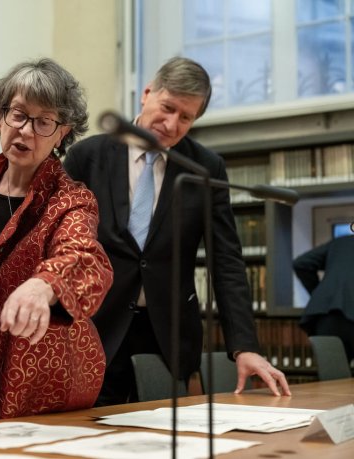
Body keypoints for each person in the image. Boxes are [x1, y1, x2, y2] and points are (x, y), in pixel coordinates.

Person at [63, 56, 291, 405]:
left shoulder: (204, 168)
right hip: (94, 329)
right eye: (167, 108)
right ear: (147, 93)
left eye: (186, 117)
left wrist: (244, 346)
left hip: (167, 337)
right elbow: (60, 246)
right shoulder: (87, 156)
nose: (171, 124)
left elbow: (226, 260)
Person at [0, 58, 114, 425]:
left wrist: (45, 285)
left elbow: (86, 257)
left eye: (44, 122)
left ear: (63, 133)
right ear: (0, 118)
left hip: (33, 383)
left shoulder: (71, 199)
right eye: (18, 114)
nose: (26, 130)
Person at [294, 234, 354, 362]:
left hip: (326, 317)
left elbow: (301, 263)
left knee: (333, 376)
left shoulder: (341, 242)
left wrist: (319, 294)